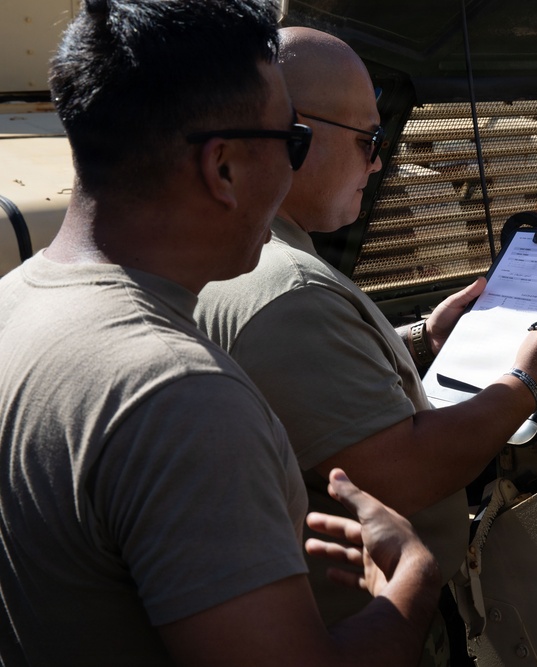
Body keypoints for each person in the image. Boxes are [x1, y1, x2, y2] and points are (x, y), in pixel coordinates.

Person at [0, 2, 441, 665]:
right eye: (290, 141)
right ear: (225, 168)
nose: (293, 171)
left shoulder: (14, 302)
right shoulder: (180, 398)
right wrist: (412, 579)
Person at [194, 25, 537, 661]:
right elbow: (404, 474)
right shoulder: (288, 288)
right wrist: (529, 382)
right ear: (295, 132)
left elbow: (303, 389)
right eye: (370, 139)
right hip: (351, 630)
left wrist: (423, 338)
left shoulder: (239, 254)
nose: (379, 161)